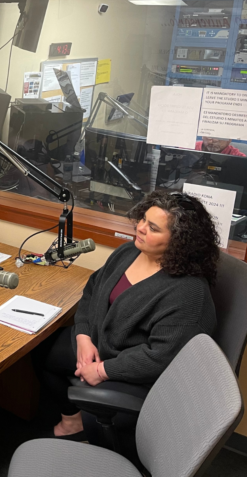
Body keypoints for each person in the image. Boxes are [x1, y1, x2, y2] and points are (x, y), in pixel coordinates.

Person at [33, 190, 218, 443]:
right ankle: (72, 421)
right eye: (143, 219)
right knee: (41, 349)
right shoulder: (128, 252)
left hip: (130, 365)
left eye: (153, 228)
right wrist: (84, 337)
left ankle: (91, 430)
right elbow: (92, 290)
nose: (140, 228)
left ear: (179, 241)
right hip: (100, 340)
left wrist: (102, 370)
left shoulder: (188, 292)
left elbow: (160, 357)